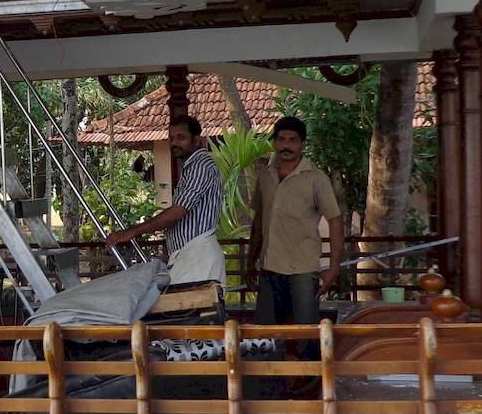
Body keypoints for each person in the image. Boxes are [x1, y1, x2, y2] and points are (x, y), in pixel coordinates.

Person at [104, 115, 226, 285]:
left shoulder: (200, 166)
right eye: (171, 138)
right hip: (189, 255)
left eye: (181, 137)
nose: (174, 143)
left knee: (190, 309)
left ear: (196, 140)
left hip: (198, 256)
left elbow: (177, 212)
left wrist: (132, 231)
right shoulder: (192, 166)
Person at [249, 115, 344, 323]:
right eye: (281, 139)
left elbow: (335, 221)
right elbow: (258, 221)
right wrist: (250, 261)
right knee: (266, 336)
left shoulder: (316, 179)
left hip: (303, 271)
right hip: (268, 269)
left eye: (292, 140)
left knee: (305, 334)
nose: (286, 145)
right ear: (274, 142)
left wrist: (333, 269)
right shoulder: (265, 176)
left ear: (302, 144)